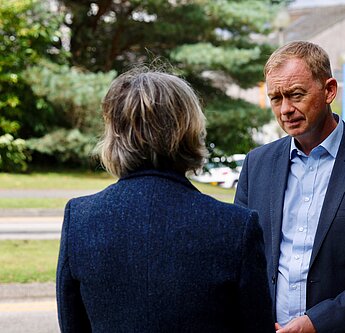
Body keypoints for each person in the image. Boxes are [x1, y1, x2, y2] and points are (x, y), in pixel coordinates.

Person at [56, 67, 275, 333]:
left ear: (115, 134)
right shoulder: (235, 227)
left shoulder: (80, 218)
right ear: (189, 130)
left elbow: (72, 324)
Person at [235, 41, 345, 332]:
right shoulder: (257, 163)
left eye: (296, 95)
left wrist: (320, 322)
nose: (285, 110)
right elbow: (240, 258)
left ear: (329, 90)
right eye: (275, 98)